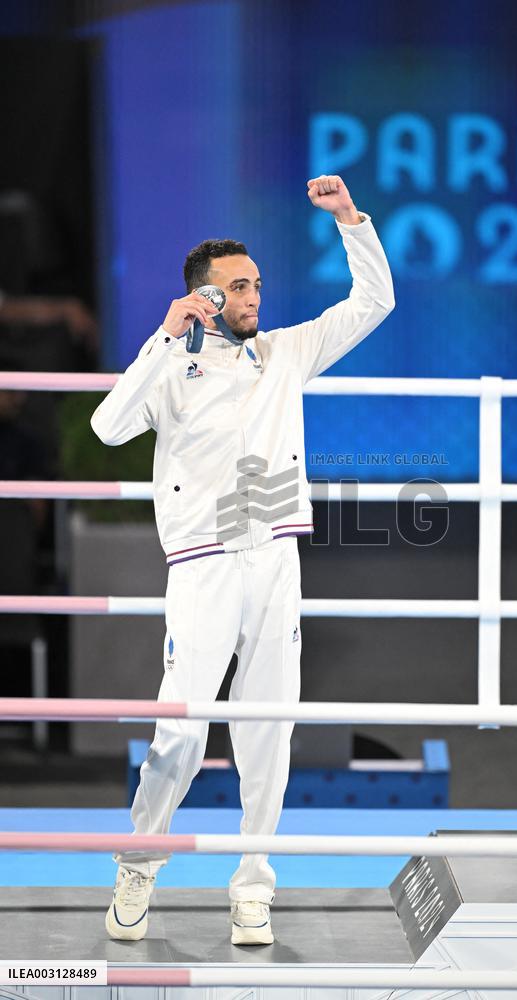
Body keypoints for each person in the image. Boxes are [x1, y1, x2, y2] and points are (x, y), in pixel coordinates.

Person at [90, 175, 395, 945]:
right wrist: (163, 338)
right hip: (200, 565)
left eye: (258, 282)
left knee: (269, 730)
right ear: (205, 296)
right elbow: (107, 428)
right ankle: (139, 863)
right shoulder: (169, 363)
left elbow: (373, 305)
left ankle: (253, 885)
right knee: (181, 733)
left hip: (276, 562)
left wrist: (350, 222)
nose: (255, 293)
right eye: (239, 285)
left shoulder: (285, 353)